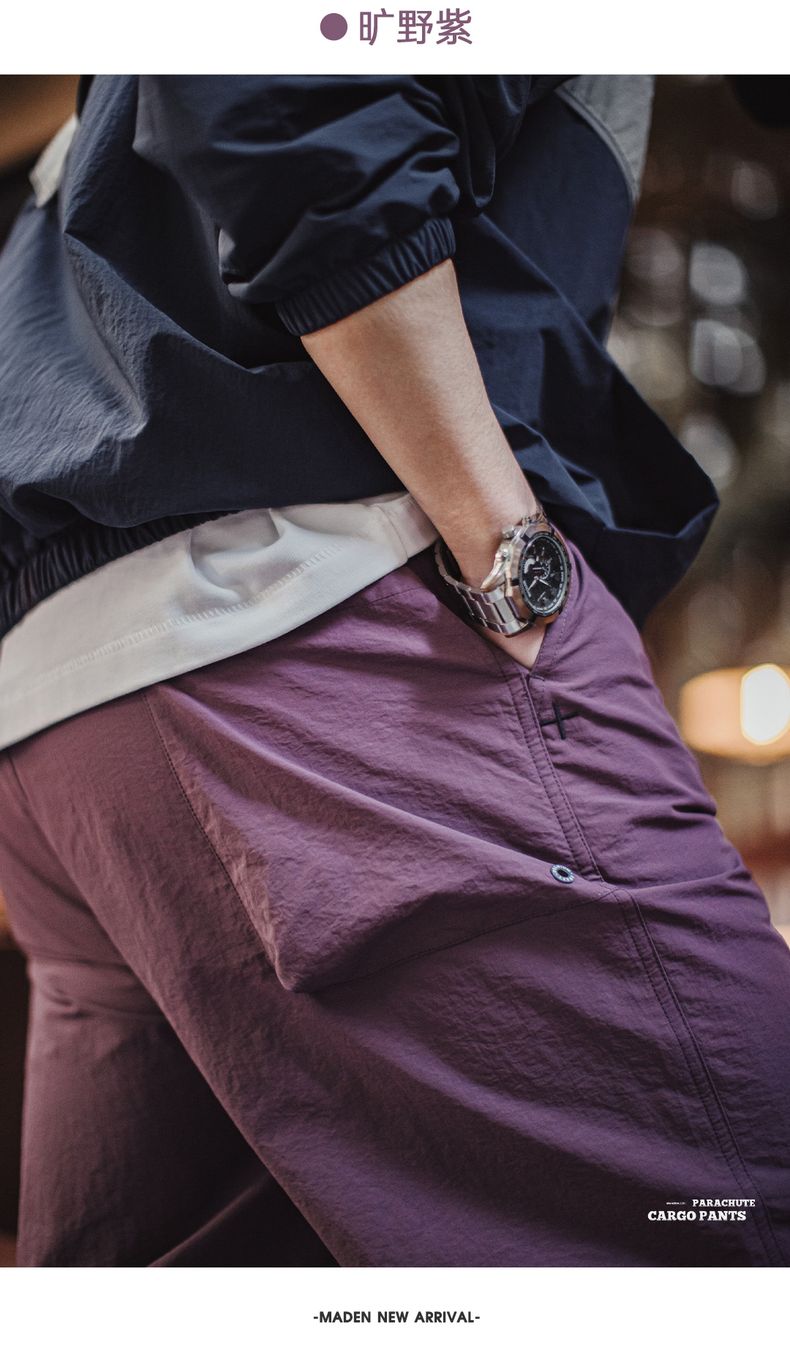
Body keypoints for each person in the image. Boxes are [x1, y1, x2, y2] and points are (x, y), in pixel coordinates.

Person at [0, 75, 788, 1268]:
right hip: (331, 629)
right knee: (740, 1222)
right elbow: (274, 94)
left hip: (72, 713)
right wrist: (511, 559)